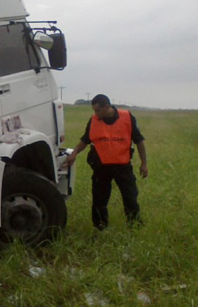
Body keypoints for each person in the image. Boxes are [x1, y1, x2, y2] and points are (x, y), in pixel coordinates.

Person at [62, 94, 148, 229]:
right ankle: (100, 227)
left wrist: (144, 164)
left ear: (107, 107)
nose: (95, 113)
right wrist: (74, 154)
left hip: (123, 167)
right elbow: (85, 139)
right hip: (101, 167)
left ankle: (134, 225)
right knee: (99, 201)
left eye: (98, 110)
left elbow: (139, 141)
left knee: (130, 198)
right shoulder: (94, 120)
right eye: (94, 110)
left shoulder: (127, 117)